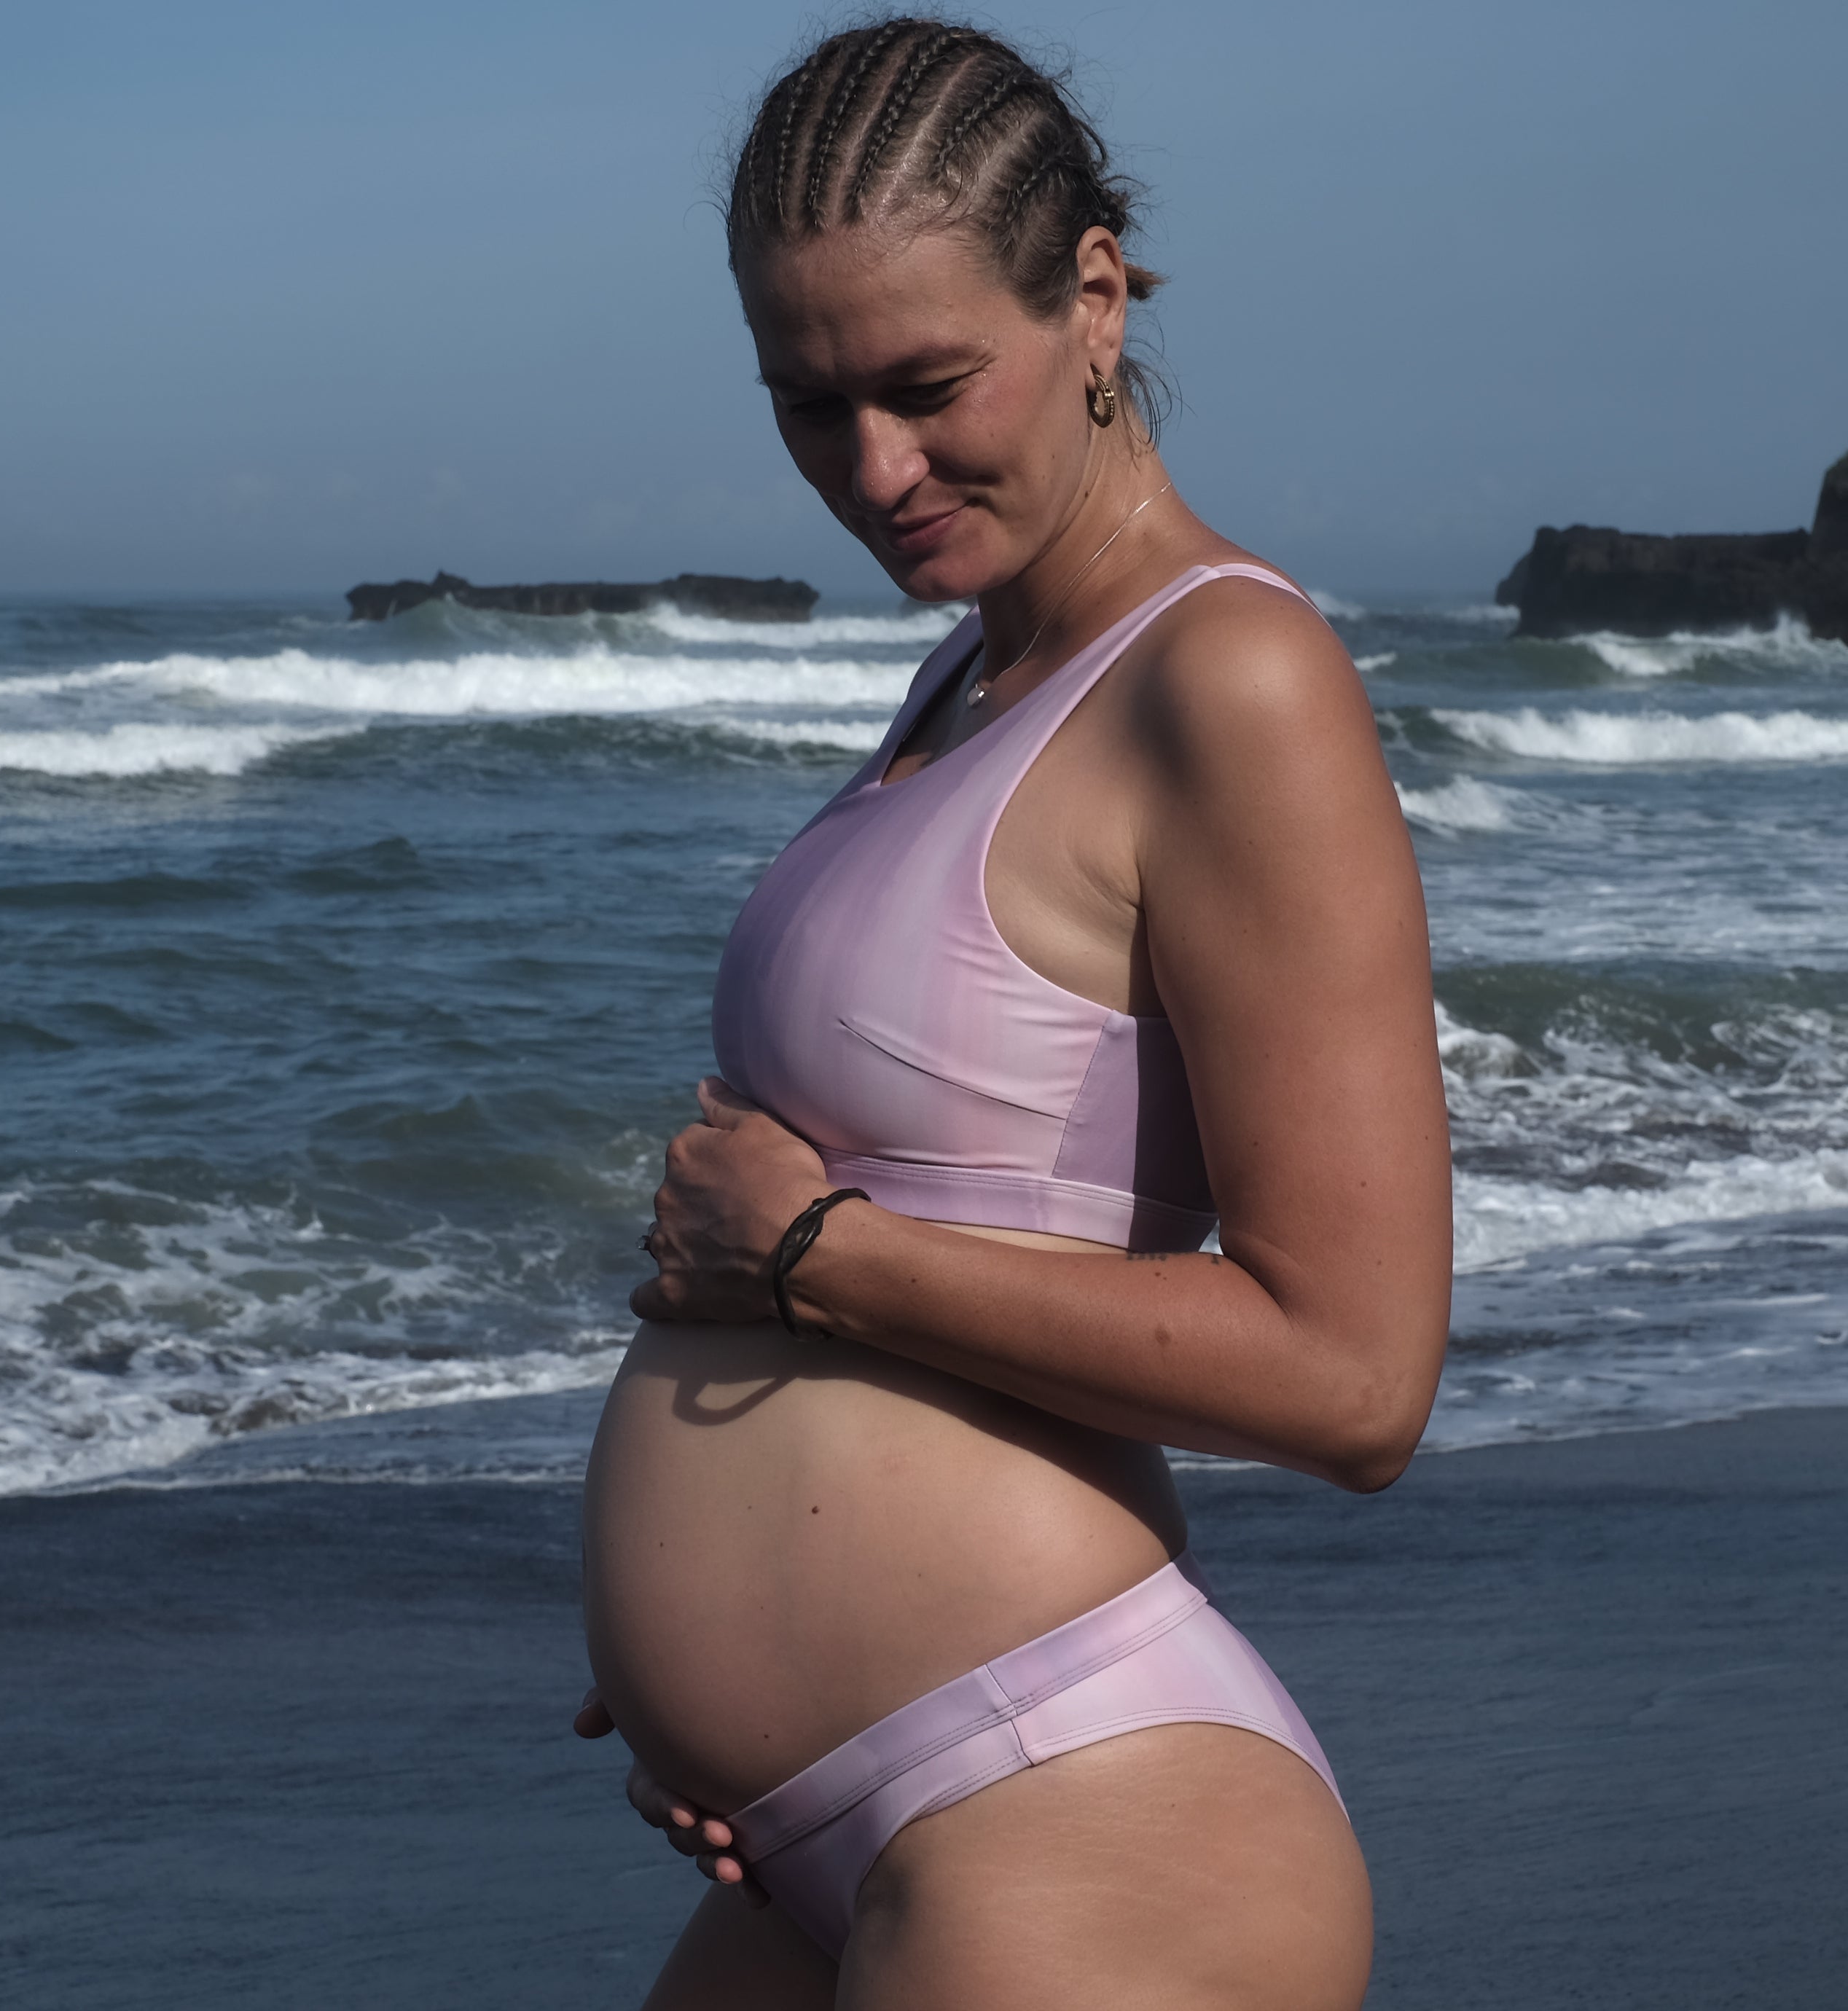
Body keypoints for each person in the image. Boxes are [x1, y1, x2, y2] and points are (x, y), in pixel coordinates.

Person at [570, 20, 1451, 2007]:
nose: (873, 470)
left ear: (1096, 296)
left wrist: (813, 1253)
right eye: (809, 408)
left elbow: (1355, 1376)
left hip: (1081, 1813)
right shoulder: (967, 686)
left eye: (927, 387)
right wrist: (711, 1672)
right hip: (818, 1838)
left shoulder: (1226, 679)